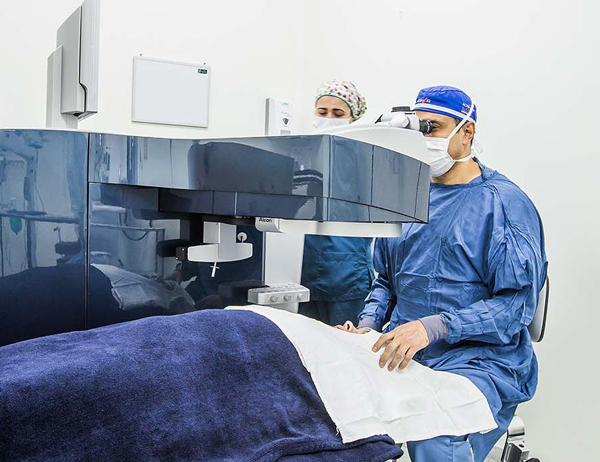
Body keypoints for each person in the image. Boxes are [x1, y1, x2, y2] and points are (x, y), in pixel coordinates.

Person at [338, 85, 547, 462]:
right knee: (336, 413)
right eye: (417, 129)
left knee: (435, 433)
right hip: (404, 351)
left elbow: (515, 307)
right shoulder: (405, 199)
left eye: (432, 128)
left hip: (481, 360)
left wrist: (433, 328)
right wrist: (368, 326)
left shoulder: (502, 204)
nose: (423, 139)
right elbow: (386, 280)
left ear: (467, 132)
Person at [299, 79, 374, 326]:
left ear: (352, 118)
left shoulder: (365, 157)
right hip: (304, 268)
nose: (329, 118)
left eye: (338, 113)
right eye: (322, 112)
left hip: (347, 273)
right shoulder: (304, 153)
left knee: (346, 341)